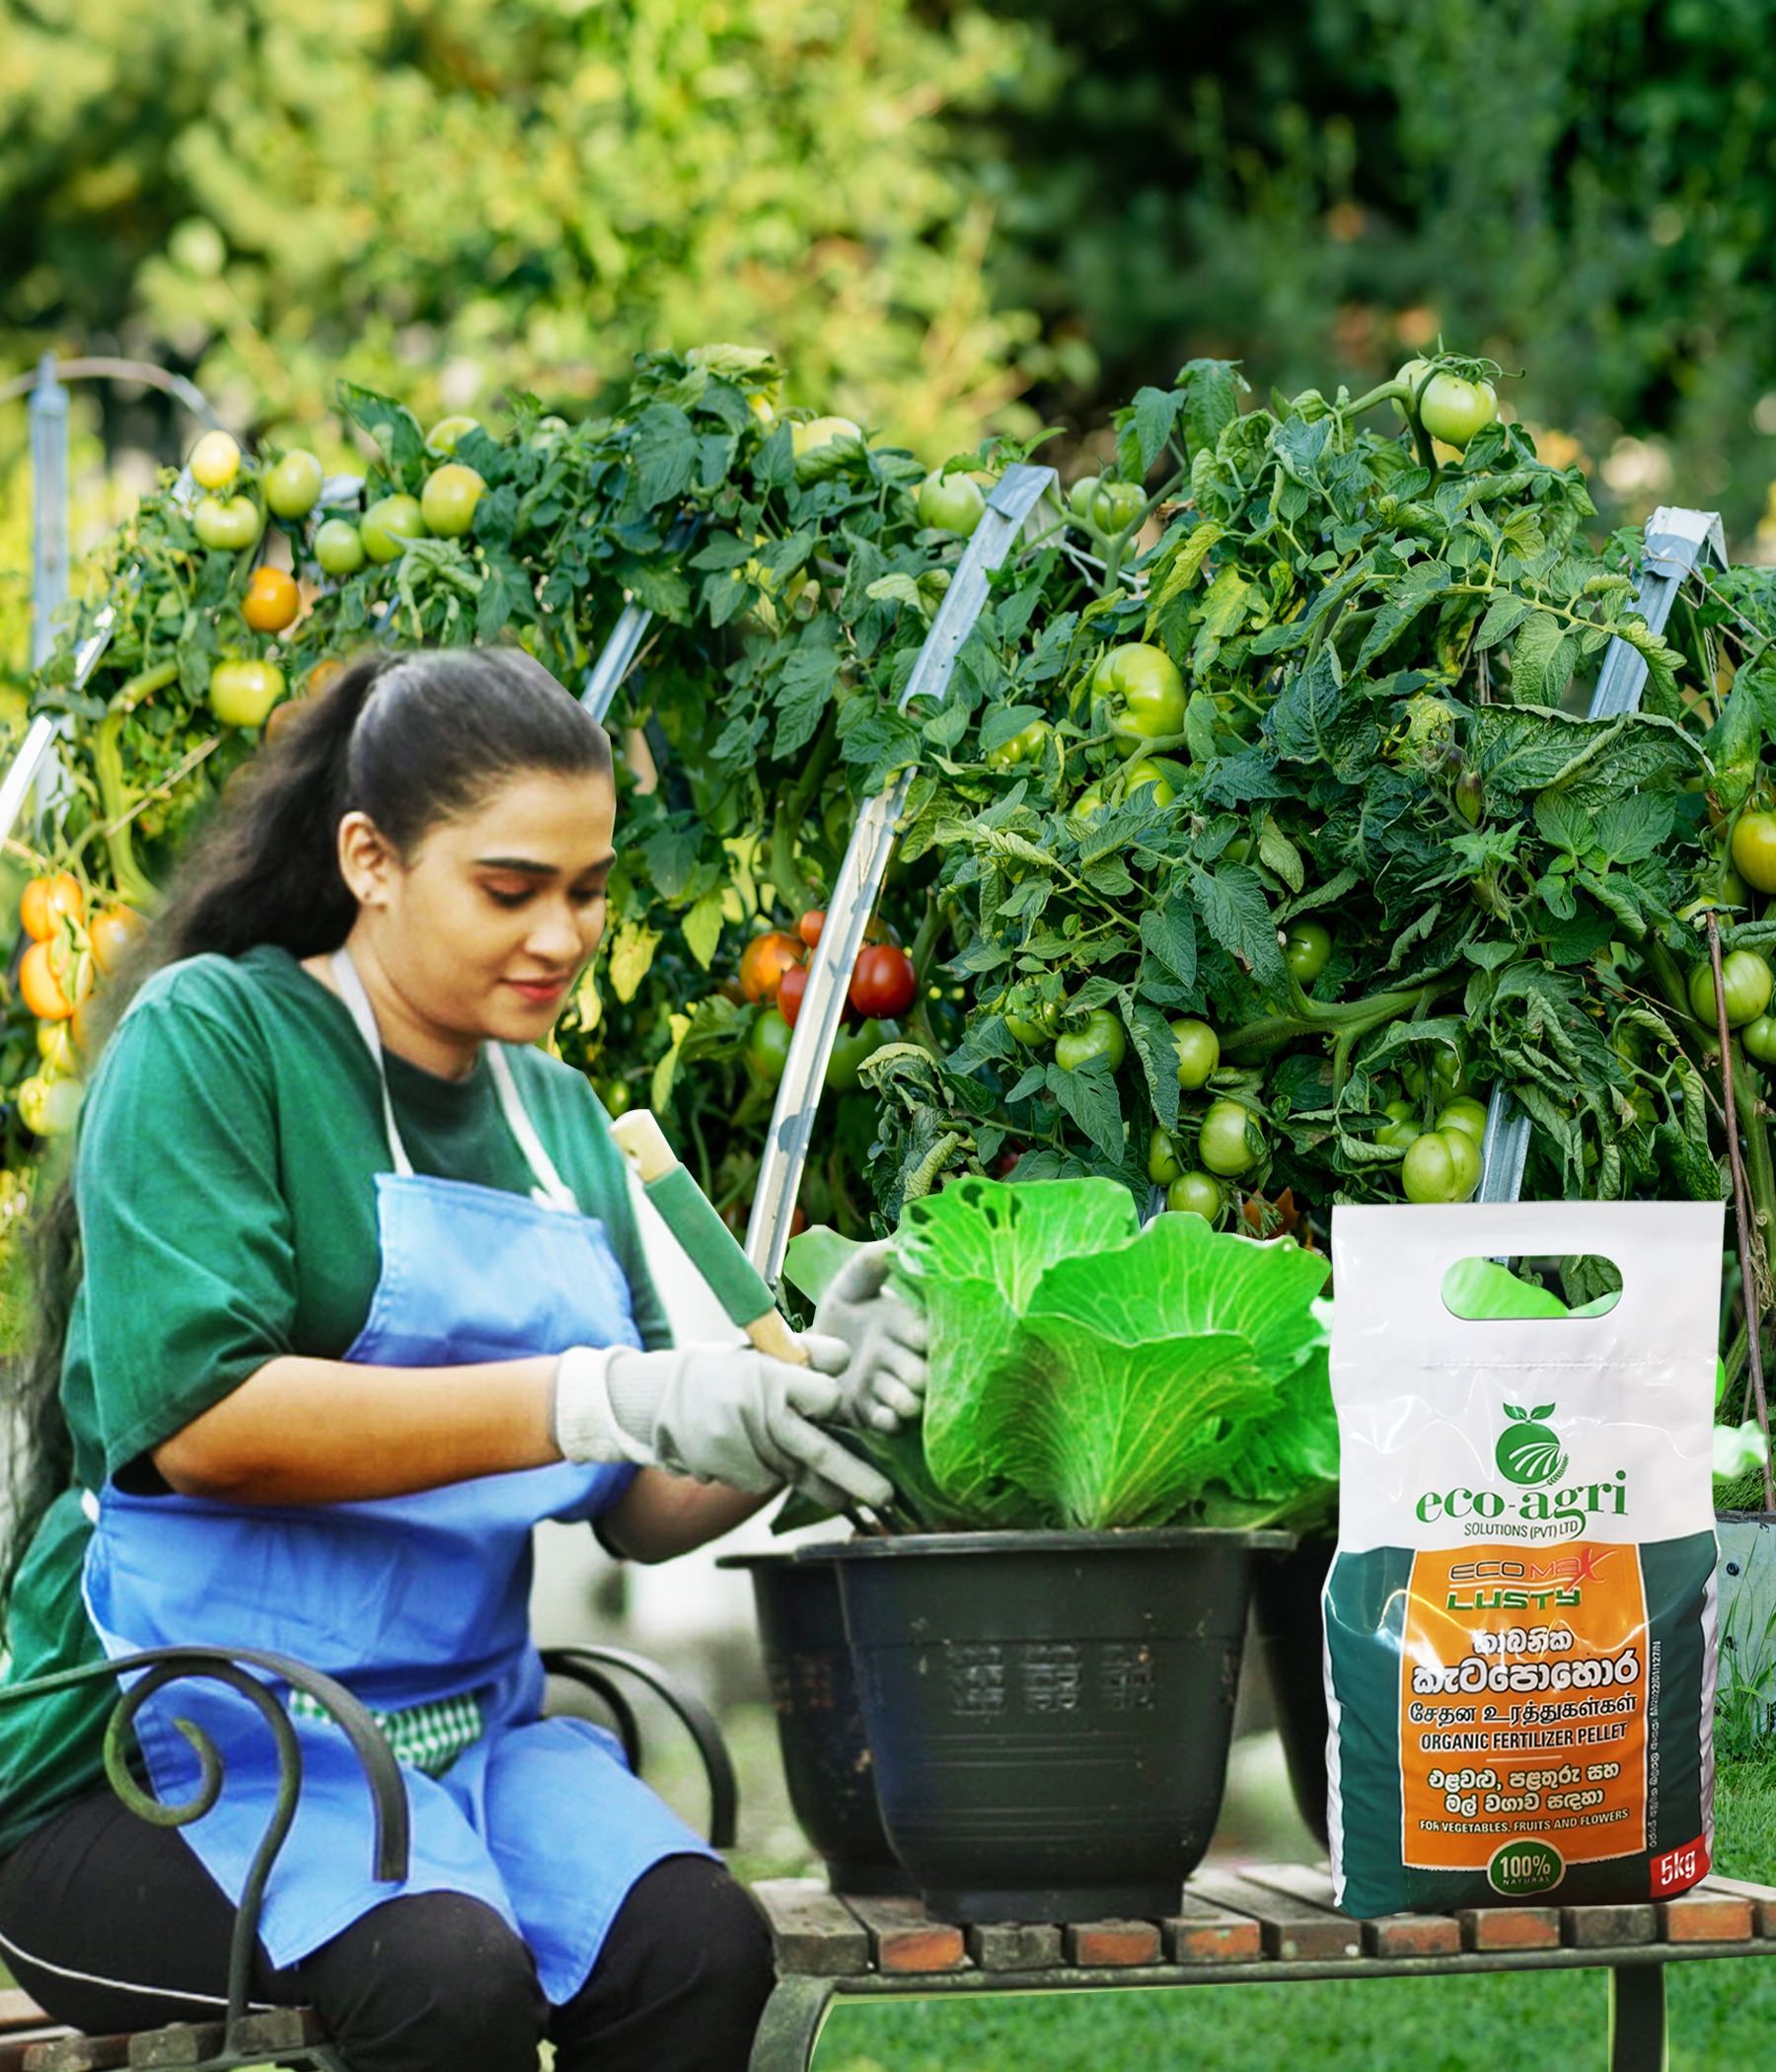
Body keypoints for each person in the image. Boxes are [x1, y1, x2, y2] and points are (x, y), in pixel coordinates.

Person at [0, 647, 926, 2072]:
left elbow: (633, 1500)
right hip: (160, 1768)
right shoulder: (216, 1042)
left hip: (459, 1745)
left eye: (590, 889)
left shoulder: (560, 1121)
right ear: (370, 858)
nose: (562, 933)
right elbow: (206, 1424)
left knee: (701, 1946)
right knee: (447, 1978)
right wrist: (604, 1392)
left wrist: (791, 1410)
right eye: (511, 889)